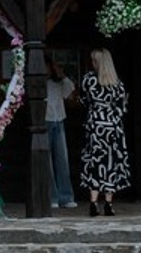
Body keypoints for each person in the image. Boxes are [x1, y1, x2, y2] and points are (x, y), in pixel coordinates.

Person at [79, 47, 130, 216]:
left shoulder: (88, 80)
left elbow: (84, 101)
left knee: (95, 162)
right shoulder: (117, 84)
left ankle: (93, 203)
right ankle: (109, 203)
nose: (92, 63)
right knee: (111, 163)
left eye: (94, 60)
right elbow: (122, 108)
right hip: (113, 126)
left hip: (95, 126)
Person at [45, 58, 77, 208]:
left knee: (62, 160)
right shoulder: (38, 84)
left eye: (47, 67)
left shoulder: (57, 83)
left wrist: (62, 75)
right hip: (45, 122)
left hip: (59, 121)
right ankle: (52, 197)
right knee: (47, 163)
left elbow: (70, 93)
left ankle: (66, 196)